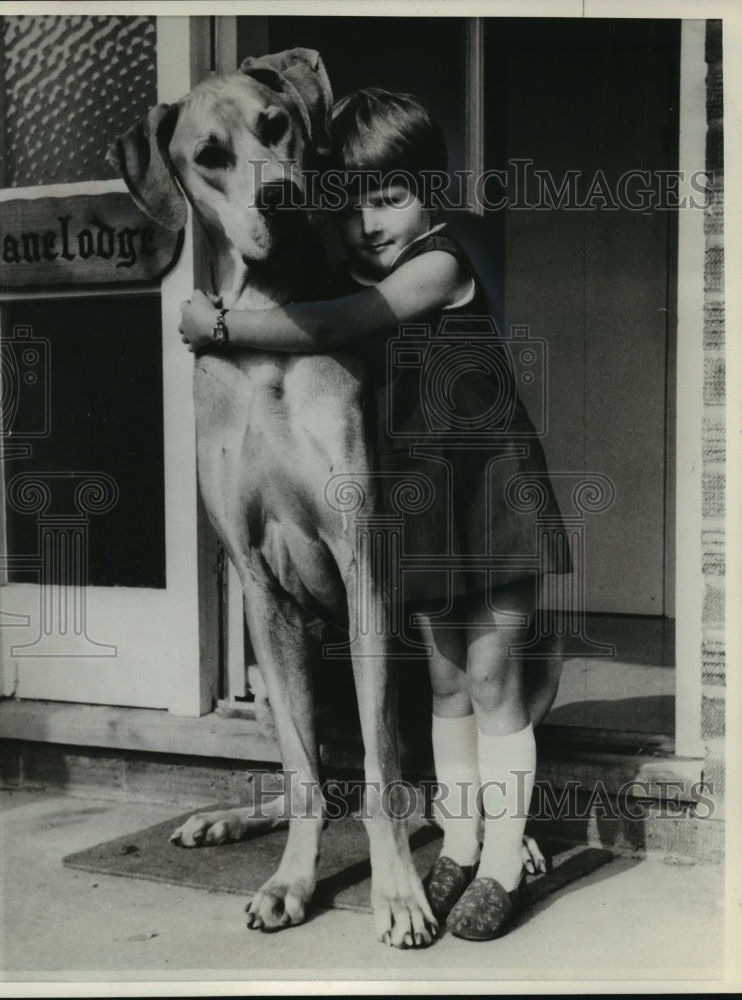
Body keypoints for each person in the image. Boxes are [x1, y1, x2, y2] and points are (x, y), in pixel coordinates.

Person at [179, 88, 570, 941]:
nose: (364, 223)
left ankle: (504, 858)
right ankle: (460, 844)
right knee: (444, 683)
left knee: (496, 680)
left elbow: (336, 325)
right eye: (348, 205)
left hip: (488, 493)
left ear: (432, 190)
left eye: (389, 197)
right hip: (428, 506)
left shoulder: (436, 264)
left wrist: (217, 322)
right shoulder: (368, 257)